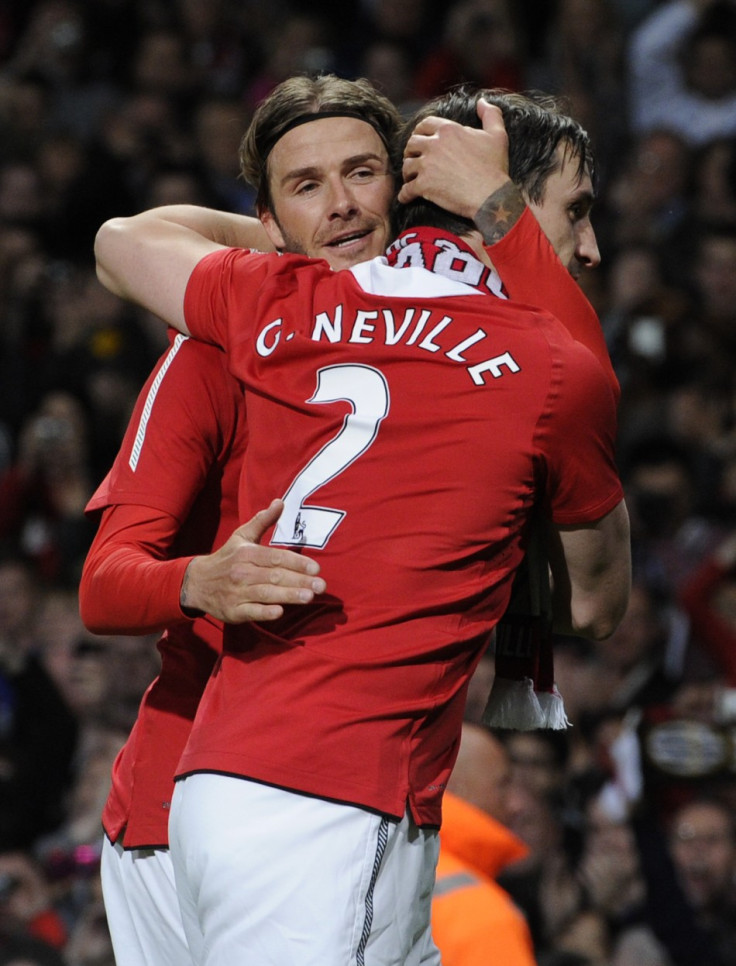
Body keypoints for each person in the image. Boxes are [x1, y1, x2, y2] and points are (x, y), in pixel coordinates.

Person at [92, 81, 630, 964]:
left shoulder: (277, 305)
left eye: (363, 174)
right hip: (322, 808)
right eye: (574, 213)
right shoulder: (551, 366)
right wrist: (193, 580)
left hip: (235, 794)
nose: (592, 246)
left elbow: (125, 244)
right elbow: (595, 600)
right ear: (501, 207)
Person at [431, 722, 536, 966]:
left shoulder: (376, 870)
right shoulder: (480, 915)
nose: (516, 803)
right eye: (503, 784)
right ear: (454, 789)